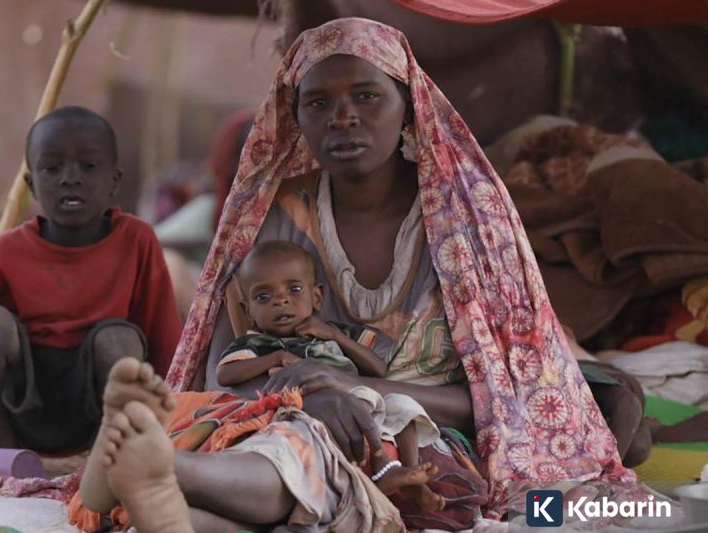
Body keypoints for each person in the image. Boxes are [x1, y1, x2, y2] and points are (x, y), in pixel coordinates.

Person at [72, 18, 640, 533]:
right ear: (296, 118)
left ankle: (161, 477)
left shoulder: (469, 220)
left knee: (331, 464)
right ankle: (160, 489)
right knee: (295, 450)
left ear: (409, 106)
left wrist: (349, 390)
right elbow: (222, 370)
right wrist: (297, 398)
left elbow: (505, 402)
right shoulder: (275, 216)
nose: (342, 117)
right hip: (275, 418)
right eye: (318, 102)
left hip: (418, 437)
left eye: (366, 95)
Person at [0, 106, 181, 452]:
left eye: (88, 166)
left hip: (103, 408)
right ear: (31, 186)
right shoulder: (4, 251)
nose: (70, 178)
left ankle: (110, 448)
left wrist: (171, 417)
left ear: (115, 181)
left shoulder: (137, 240)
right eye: (52, 168)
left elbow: (165, 340)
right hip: (21, 408)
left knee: (118, 339)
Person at [216, 240, 444, 511]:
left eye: (294, 289)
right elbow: (225, 374)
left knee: (404, 404)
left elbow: (379, 369)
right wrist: (276, 358)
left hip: (367, 400)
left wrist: (336, 336)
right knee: (359, 401)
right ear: (248, 311)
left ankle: (411, 473)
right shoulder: (255, 343)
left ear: (317, 297)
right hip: (322, 412)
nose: (281, 300)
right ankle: (383, 464)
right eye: (263, 297)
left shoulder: (337, 332)